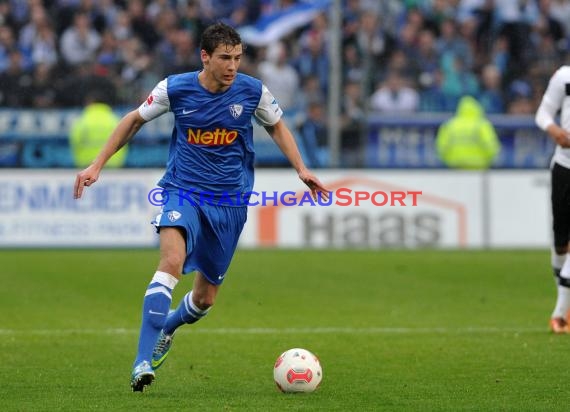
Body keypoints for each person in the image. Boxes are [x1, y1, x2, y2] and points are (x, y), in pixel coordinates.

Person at [73, 22, 329, 391]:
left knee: (205, 299)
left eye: (238, 58)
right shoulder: (175, 89)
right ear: (205, 56)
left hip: (229, 202)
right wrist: (96, 164)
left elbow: (277, 127)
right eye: (225, 58)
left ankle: (170, 327)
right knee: (171, 262)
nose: (232, 66)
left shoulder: (252, 91)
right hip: (183, 190)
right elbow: (132, 120)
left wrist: (301, 168)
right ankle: (141, 361)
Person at [535, 65, 570, 333]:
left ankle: (561, 312)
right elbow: (543, 113)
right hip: (563, 167)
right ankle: (562, 308)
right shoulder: (564, 76)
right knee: (561, 243)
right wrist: (554, 130)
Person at [435, 95, 501, 169]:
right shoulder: (481, 125)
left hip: (455, 169)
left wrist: (448, 161)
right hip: (479, 169)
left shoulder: (450, 125)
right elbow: (492, 148)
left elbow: (441, 148)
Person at [69, 91, 126, 168]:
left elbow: (75, 142)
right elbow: (124, 141)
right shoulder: (115, 120)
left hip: (87, 166)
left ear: (90, 103)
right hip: (112, 166)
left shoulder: (82, 120)